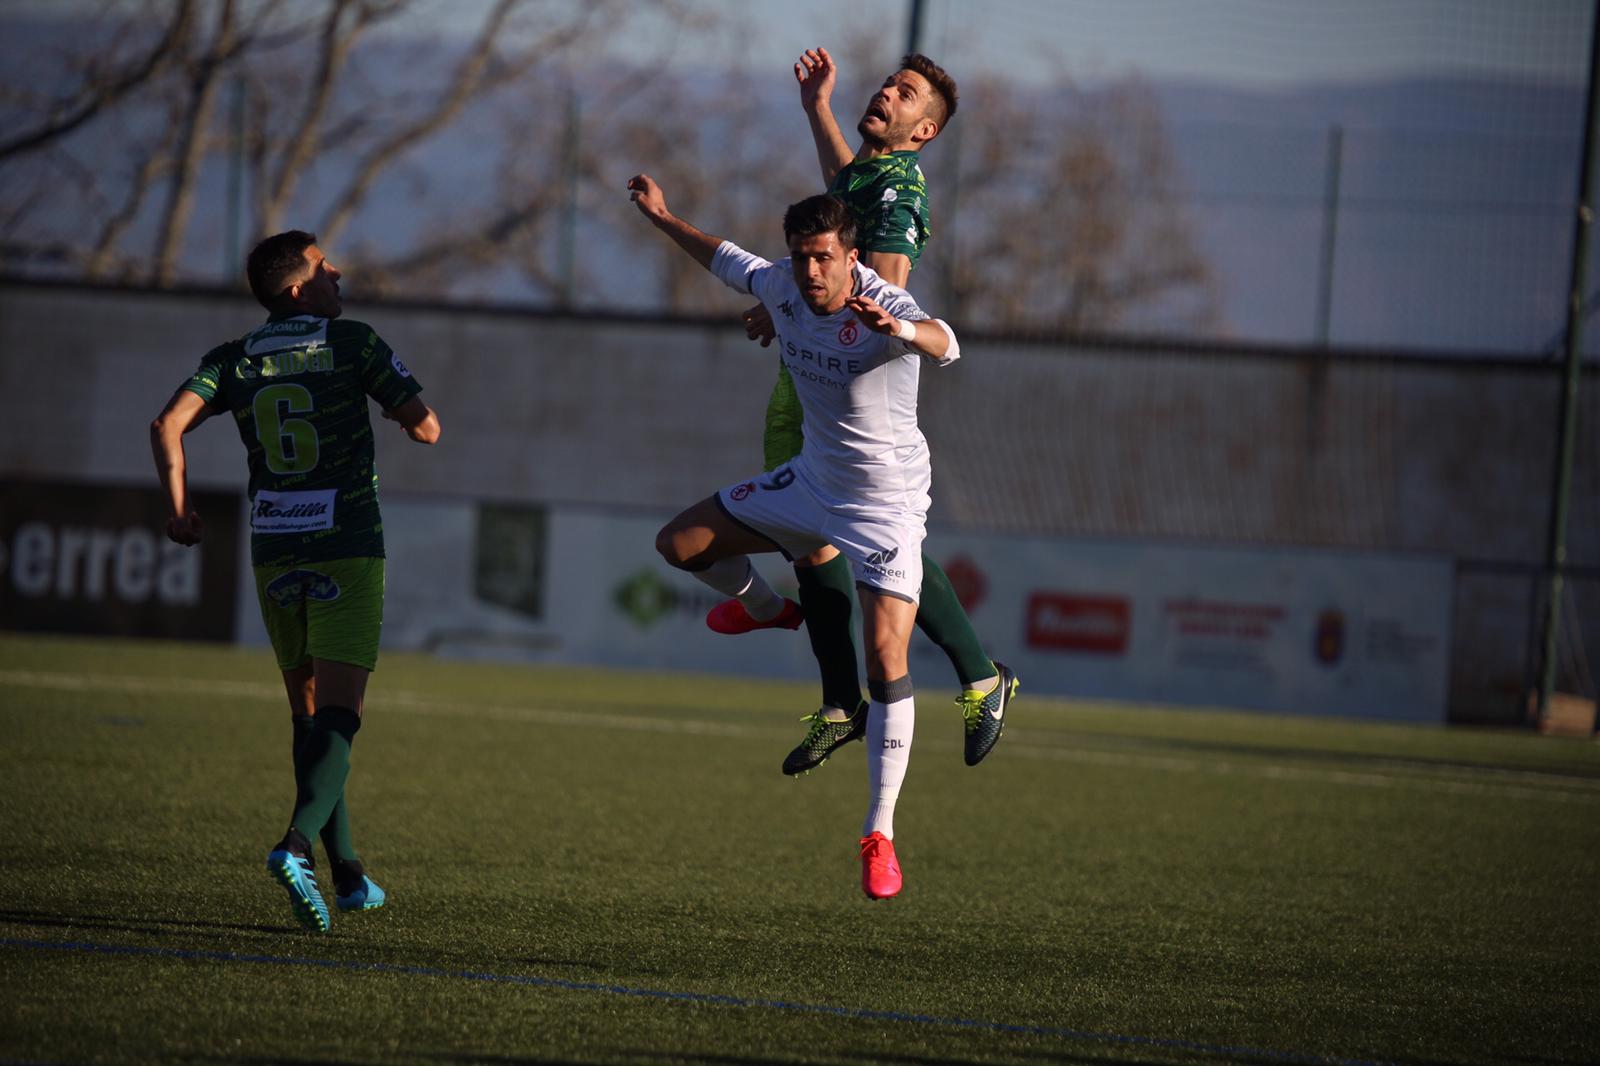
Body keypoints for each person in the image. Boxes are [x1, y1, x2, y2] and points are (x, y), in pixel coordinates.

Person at [628, 172, 953, 899]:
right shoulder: (779, 285)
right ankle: (770, 608)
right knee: (679, 543)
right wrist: (663, 216)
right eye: (801, 256)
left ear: (852, 256)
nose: (810, 270)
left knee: (884, 654)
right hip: (810, 485)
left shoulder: (883, 304)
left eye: (823, 258)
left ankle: (880, 832)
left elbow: (945, 341)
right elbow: (722, 257)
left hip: (885, 506)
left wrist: (898, 330)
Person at [719, 49, 1017, 778]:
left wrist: (799, 311)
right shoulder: (869, 176)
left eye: (906, 92)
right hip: (812, 368)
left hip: (839, 385)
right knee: (821, 530)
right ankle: (876, 695)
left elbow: (876, 291)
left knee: (832, 528)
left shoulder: (901, 188)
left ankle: (895, 690)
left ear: (924, 132)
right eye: (890, 81)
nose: (887, 90)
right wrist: (816, 107)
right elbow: (840, 197)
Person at [150, 230, 440, 933]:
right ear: (299, 288)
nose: (338, 272)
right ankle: (295, 845)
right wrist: (405, 414)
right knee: (342, 713)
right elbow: (427, 429)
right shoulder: (354, 344)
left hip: (275, 545)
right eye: (324, 265)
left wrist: (180, 509)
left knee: (307, 713)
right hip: (346, 543)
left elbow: (168, 425)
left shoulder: (233, 359)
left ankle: (348, 874)